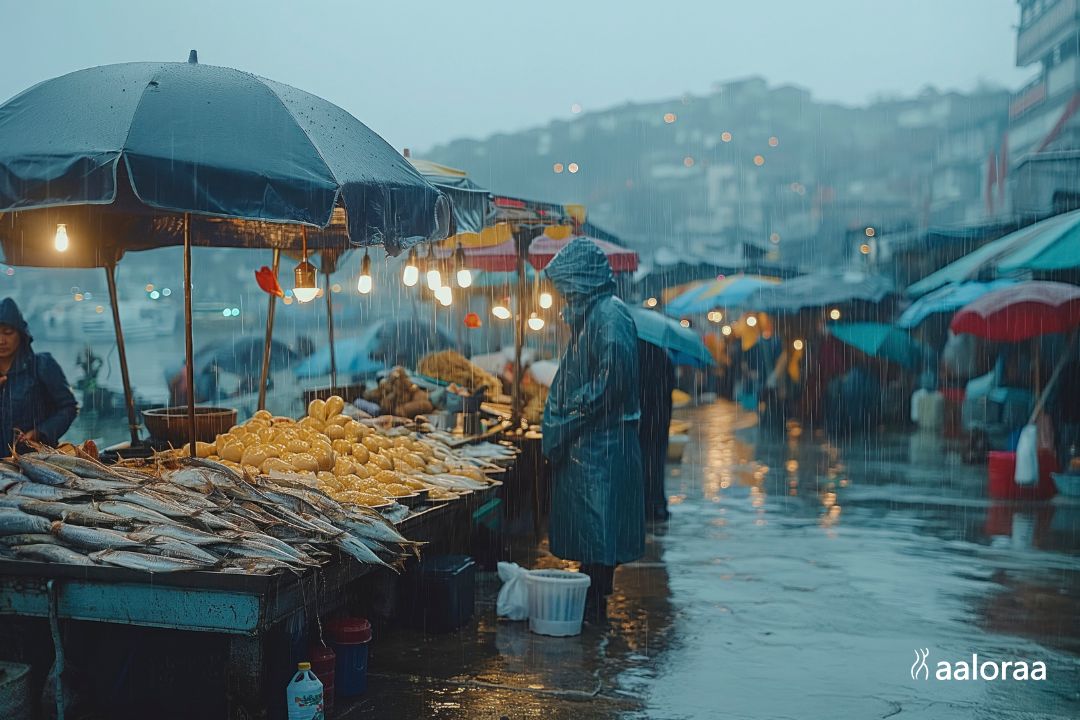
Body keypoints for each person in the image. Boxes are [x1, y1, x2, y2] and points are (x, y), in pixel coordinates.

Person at [542, 238, 645, 622]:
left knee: (600, 529)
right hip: (592, 444)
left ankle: (594, 603)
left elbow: (610, 381)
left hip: (602, 448)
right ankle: (592, 598)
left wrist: (572, 410)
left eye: (566, 287)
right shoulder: (593, 316)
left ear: (580, 280)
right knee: (593, 530)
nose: (563, 297)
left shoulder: (609, 316)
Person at [0, 298, 78, 456]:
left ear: (21, 334)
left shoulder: (42, 365)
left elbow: (68, 407)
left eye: (8, 332)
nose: (1, 340)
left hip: (35, 459)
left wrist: (40, 432)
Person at [638, 340, 675, 522]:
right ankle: (657, 505)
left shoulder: (635, 352)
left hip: (642, 419)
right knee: (657, 462)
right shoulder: (664, 355)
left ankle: (645, 505)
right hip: (660, 420)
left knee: (643, 461)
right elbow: (670, 388)